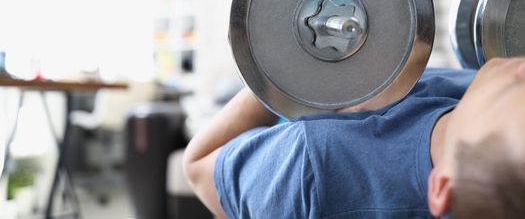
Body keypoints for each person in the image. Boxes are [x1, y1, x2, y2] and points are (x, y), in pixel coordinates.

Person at [183, 57, 525, 218]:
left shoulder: (315, 167)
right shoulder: (480, 88)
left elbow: (199, 166)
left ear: (442, 187)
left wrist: (279, 70)